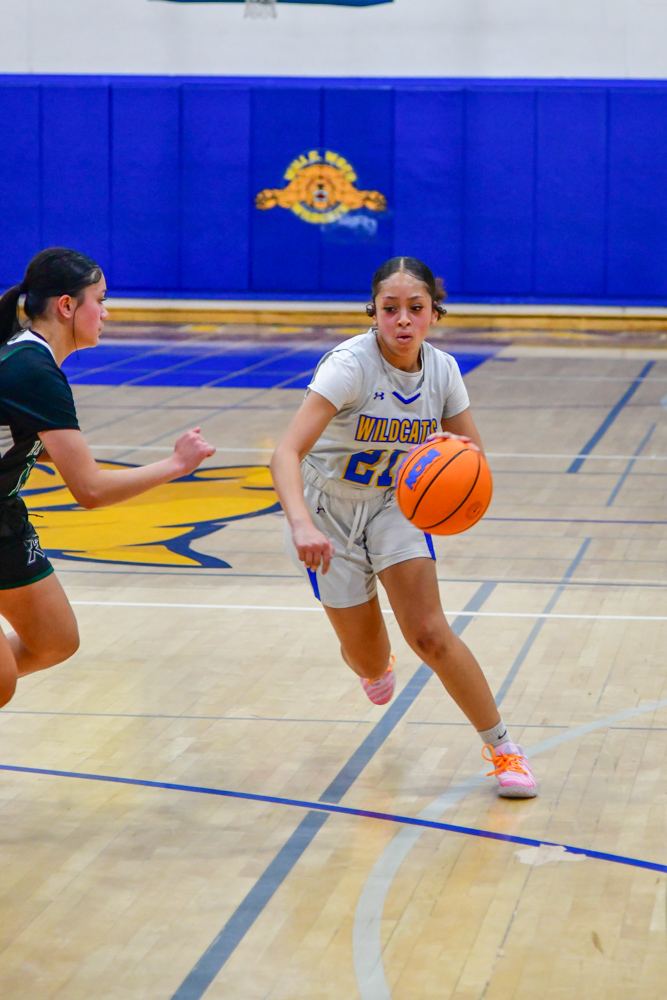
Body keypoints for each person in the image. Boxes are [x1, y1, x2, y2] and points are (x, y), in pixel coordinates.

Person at [270, 256, 537, 797]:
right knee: (368, 659)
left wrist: (457, 468)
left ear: (434, 313)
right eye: (390, 309)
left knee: (430, 633)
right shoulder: (349, 367)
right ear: (373, 313)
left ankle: (504, 748)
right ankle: (372, 663)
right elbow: (285, 452)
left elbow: (472, 456)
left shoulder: (443, 371)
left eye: (415, 308)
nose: (403, 320)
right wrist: (300, 526)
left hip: (397, 505)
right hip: (327, 512)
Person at [0, 247, 215, 708]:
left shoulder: (32, 361)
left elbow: (43, 451)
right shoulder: (31, 369)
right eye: (100, 299)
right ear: (66, 306)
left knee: (54, 640)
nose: (106, 312)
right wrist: (176, 465)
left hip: (4, 516)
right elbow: (90, 490)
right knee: (1, 677)